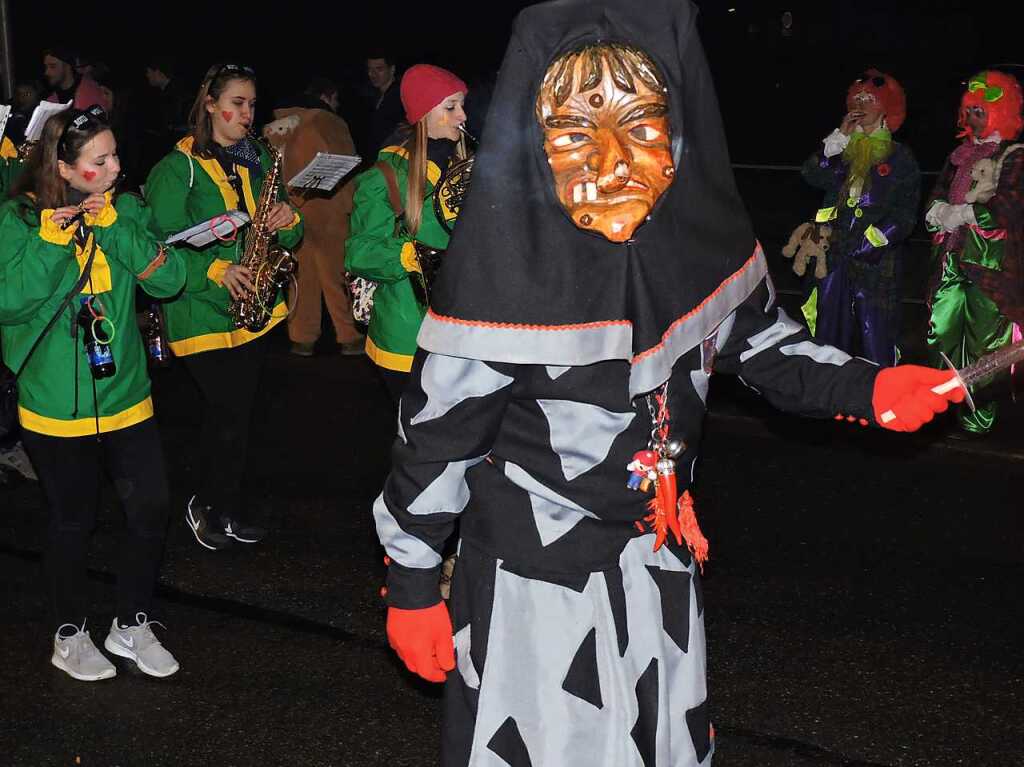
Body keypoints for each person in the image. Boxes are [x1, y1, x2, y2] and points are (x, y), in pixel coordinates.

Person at [371, 3, 965, 765]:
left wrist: (871, 389)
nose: (612, 162)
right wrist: (414, 579)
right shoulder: (505, 273)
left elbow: (761, 342)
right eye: (579, 131)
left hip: (656, 560)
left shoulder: (695, 238)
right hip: (534, 583)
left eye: (641, 126)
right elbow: (437, 440)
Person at [0, 106, 186, 680]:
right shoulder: (19, 220)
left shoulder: (125, 208)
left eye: (114, 157)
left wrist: (119, 231)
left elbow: (171, 277)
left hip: (128, 396)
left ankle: (131, 624)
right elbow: (9, 302)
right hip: (56, 406)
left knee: (150, 509)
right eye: (98, 160)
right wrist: (51, 245)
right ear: (63, 166)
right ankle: (69, 633)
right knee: (72, 520)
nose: (114, 168)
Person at [145, 63, 303, 550]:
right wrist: (214, 270)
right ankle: (206, 505)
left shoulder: (256, 157)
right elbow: (158, 248)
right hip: (201, 313)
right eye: (236, 103)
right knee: (226, 413)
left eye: (252, 104)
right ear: (210, 104)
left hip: (251, 310)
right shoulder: (177, 169)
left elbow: (292, 234)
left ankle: (227, 509)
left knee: (239, 418)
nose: (246, 114)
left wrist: (288, 217)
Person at [346, 64, 470, 402]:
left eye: (461, 105)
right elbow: (358, 252)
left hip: (459, 329)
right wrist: (406, 254)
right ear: (423, 113)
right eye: (450, 107)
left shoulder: (464, 163)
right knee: (416, 437)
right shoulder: (386, 176)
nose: (462, 115)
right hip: (406, 333)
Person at [925, 70, 1024, 436]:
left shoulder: (1013, 155)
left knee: (986, 343)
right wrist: (935, 209)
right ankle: (947, 408)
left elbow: (1013, 207)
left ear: (1000, 113)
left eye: (980, 111)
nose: (971, 118)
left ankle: (981, 418)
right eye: (969, 111)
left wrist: (968, 212)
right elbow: (937, 189)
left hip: (989, 265)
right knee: (941, 333)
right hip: (950, 257)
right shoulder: (958, 155)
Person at [799, 69, 920, 366]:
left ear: (887, 108)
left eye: (870, 99)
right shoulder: (842, 150)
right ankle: (829, 390)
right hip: (833, 256)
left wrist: (873, 240)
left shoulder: (900, 157)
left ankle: (878, 393)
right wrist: (839, 137)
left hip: (875, 263)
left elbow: (905, 213)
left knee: (875, 330)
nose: (861, 105)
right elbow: (812, 174)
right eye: (858, 98)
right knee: (827, 326)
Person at [264, 84, 365, 357]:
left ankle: (302, 337)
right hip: (328, 209)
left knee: (301, 274)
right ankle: (349, 335)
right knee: (336, 275)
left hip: (290, 212)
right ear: (327, 96)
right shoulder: (328, 121)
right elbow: (346, 166)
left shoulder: (275, 127)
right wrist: (351, 209)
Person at [42, 48, 111, 112]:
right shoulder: (50, 102)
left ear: (67, 66)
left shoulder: (93, 92)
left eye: (52, 66)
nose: (46, 72)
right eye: (46, 67)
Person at [365, 55, 404, 158]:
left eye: (379, 69)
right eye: (369, 69)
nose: (372, 74)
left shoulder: (401, 96)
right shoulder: (372, 97)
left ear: (392, 69)